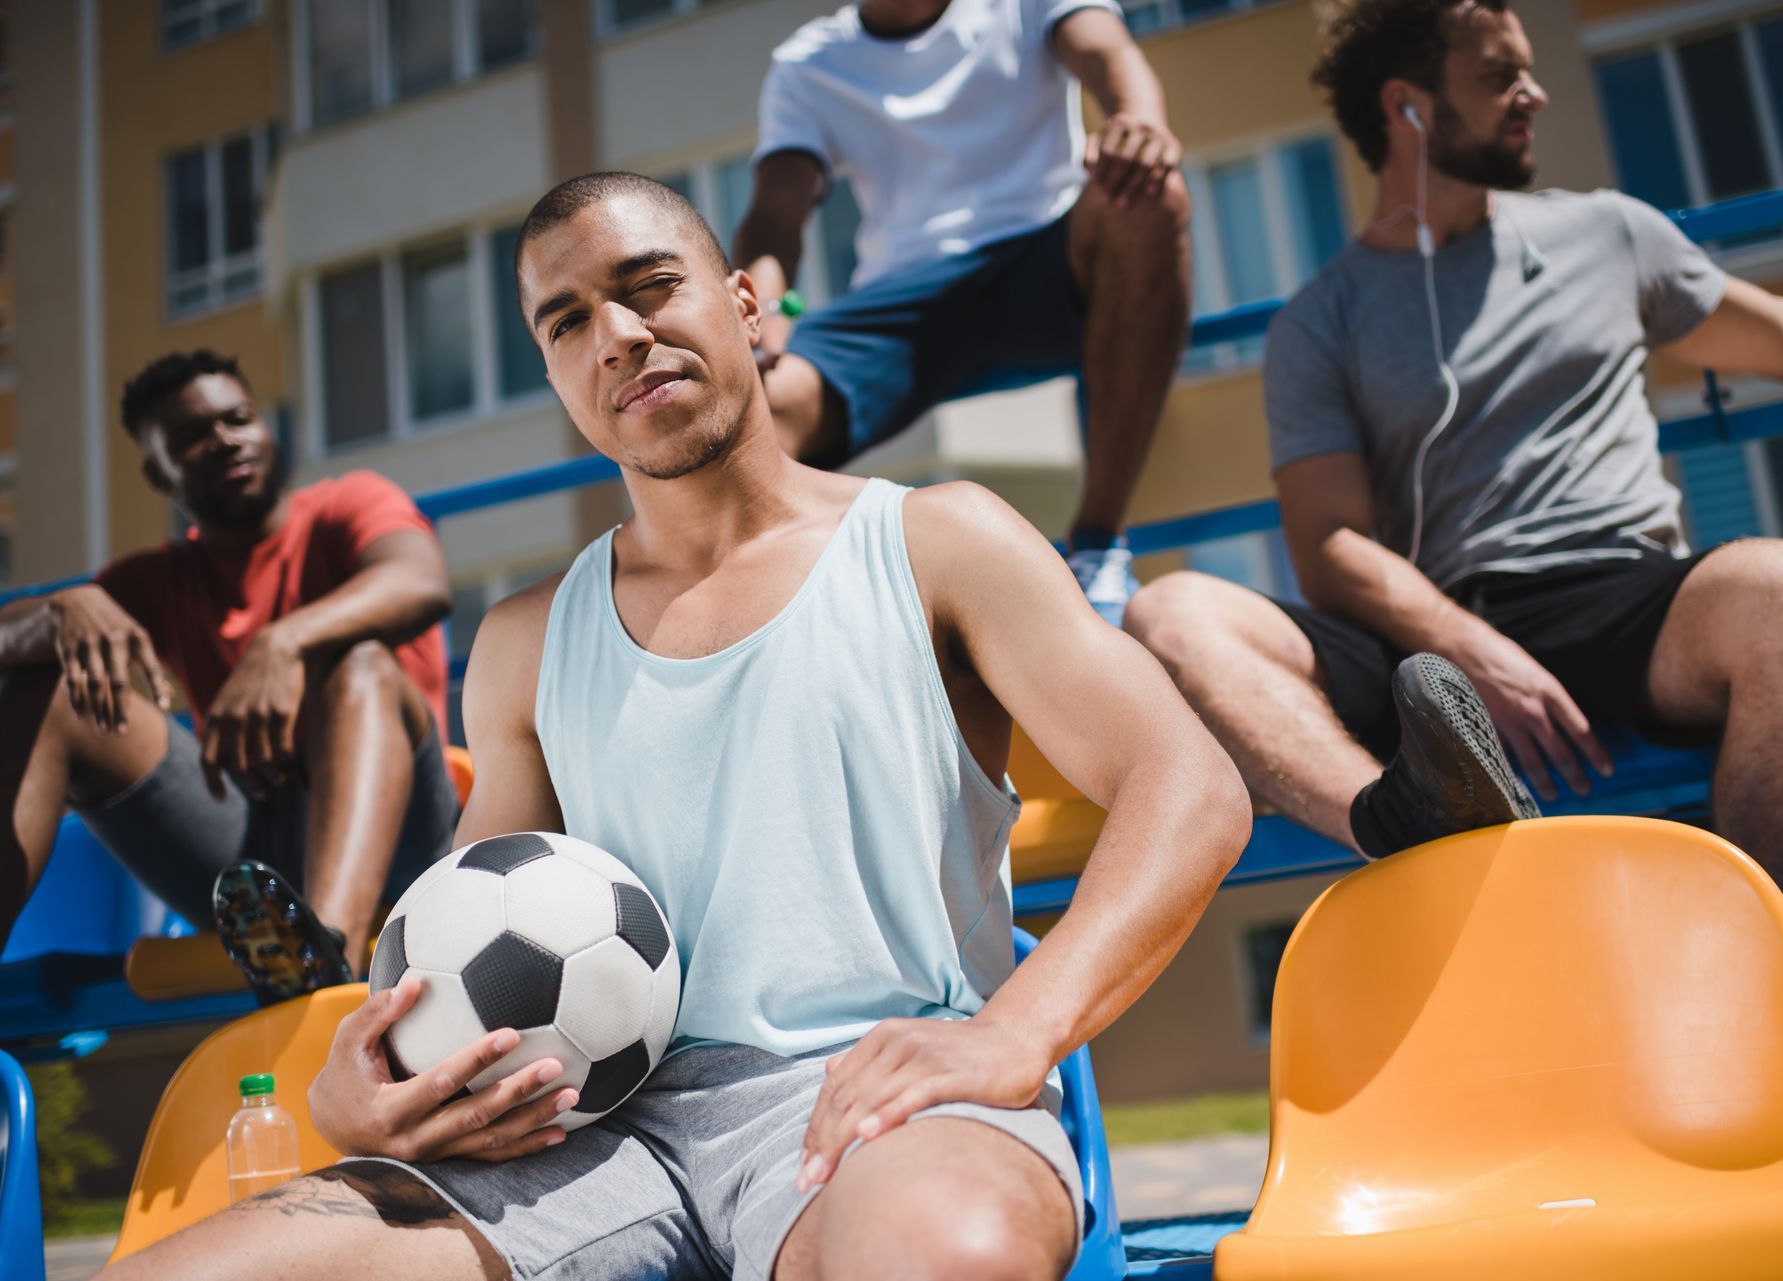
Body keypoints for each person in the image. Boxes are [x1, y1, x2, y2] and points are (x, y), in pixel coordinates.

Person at [102, 172, 1530, 1281]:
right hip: (592, 1134)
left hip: (886, 1100)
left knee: (943, 1257)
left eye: (649, 286)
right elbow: (471, 933)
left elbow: (1188, 787)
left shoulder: (939, 542)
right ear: (555, 375)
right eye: (567, 321)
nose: (619, 335)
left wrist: (1014, 1035)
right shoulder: (529, 642)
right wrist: (383, 1070)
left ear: (744, 305)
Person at [1121, 0, 1783, 929]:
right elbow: (1328, 542)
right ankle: (1399, 818)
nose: (1531, 94)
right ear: (1406, 105)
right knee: (1170, 611)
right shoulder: (1321, 320)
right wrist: (1466, 646)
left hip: (1622, 600)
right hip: (1426, 645)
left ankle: (1740, 975)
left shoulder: (1613, 233)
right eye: (1500, 75)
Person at [0, 351, 458, 990]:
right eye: (190, 438)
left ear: (265, 429)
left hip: (404, 838)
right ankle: (296, 951)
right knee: (52, 689)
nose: (222, 440)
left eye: (237, 419)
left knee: (358, 662)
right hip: (253, 856)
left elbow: (421, 583)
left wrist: (285, 641)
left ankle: (320, 969)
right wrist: (64, 606)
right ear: (157, 474)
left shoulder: (346, 503)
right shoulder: (159, 580)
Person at [733, 0, 1192, 622]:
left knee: (1150, 196)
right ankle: (786, 611)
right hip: (904, 303)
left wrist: (1138, 120)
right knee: (751, 401)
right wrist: (764, 303)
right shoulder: (807, 63)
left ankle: (1098, 541)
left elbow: (1109, 55)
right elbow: (777, 209)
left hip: (1045, 259)